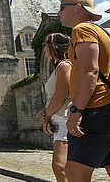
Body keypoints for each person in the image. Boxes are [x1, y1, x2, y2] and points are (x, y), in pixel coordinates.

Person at [58, 0, 110, 182]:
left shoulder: (82, 29)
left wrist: (76, 110)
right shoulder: (104, 34)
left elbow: (90, 71)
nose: (58, 13)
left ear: (77, 7)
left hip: (97, 108)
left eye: (62, 8)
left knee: (74, 173)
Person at [37, 33, 72, 182]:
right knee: (62, 167)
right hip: (59, 120)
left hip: (65, 119)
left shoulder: (65, 66)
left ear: (54, 46)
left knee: (59, 166)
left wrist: (46, 115)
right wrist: (46, 114)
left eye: (46, 44)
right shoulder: (60, 66)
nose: (44, 47)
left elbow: (59, 97)